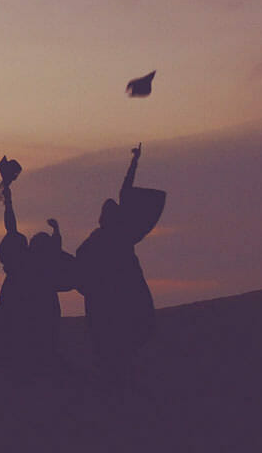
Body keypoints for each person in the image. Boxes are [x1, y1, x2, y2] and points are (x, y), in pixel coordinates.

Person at [66, 144, 166, 391]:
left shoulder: (115, 237)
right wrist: (134, 162)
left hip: (117, 299)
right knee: (113, 347)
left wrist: (134, 162)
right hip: (110, 300)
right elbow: (126, 192)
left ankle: (118, 383)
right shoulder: (116, 237)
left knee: (116, 345)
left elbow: (125, 192)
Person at [0, 157, 62, 358]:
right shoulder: (33, 265)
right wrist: (56, 232)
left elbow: (11, 225)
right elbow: (11, 225)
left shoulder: (25, 263)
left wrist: (9, 198)